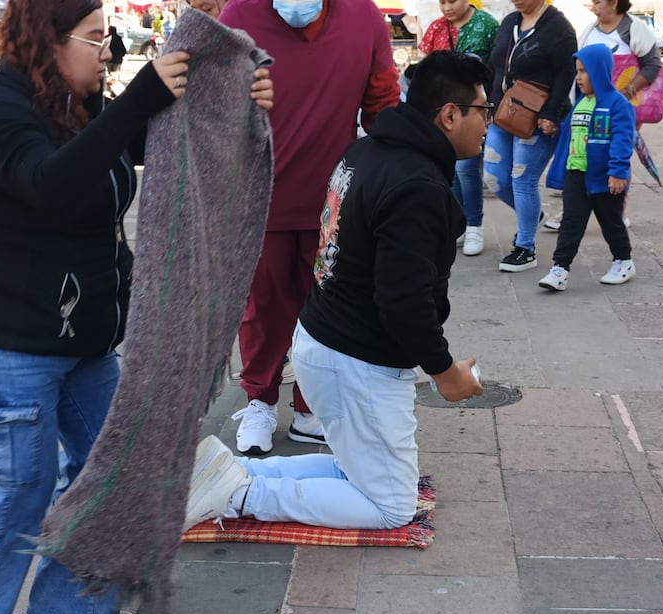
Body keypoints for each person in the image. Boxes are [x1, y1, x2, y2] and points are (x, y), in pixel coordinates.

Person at [0, 1, 273, 614]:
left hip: (86, 343)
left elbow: (158, 139)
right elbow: (49, 185)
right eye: (95, 38)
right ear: (48, 41)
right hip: (14, 351)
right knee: (14, 506)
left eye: (109, 35)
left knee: (122, 479)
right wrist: (137, 100)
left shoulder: (76, 106)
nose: (108, 49)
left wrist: (236, 97)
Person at [184, 51, 486, 533]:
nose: (489, 123)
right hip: (357, 360)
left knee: (357, 469)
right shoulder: (416, 184)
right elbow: (403, 302)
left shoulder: (366, 150)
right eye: (483, 111)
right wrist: (443, 370)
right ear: (450, 114)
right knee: (390, 506)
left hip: (327, 341)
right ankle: (241, 492)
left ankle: (234, 473)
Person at [219, 0, 401, 456]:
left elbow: (382, 106)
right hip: (257, 199)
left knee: (325, 312)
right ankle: (259, 400)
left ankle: (310, 407)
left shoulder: (364, 19)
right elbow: (211, 103)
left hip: (334, 201)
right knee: (261, 310)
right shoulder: (239, 16)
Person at [543, 0, 661, 231]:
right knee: (582, 151)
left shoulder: (634, 29)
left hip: (622, 105)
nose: (593, 7)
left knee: (618, 151)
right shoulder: (589, 31)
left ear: (614, 2)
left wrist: (627, 92)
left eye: (597, 2)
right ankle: (573, 207)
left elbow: (652, 64)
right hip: (589, 105)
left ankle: (617, 208)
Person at [484, 0, 577, 272]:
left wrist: (551, 114)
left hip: (539, 117)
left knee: (522, 178)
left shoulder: (559, 27)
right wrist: (489, 104)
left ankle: (525, 248)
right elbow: (496, 68)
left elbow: (566, 74)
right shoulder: (510, 21)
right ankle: (533, 214)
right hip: (503, 113)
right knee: (494, 176)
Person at [537, 44, 636, 292]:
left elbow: (623, 139)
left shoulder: (617, 104)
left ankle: (623, 261)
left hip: (604, 177)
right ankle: (560, 269)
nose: (578, 77)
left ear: (600, 71)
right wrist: (556, 130)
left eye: (584, 71)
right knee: (571, 222)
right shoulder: (579, 104)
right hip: (576, 174)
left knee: (611, 222)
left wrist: (617, 171)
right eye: (577, 71)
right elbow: (570, 136)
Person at [419, 0, 499, 256]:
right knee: (450, 169)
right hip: (441, 114)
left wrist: (488, 107)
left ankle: (474, 224)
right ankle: (459, 221)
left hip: (472, 109)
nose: (446, 7)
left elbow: (497, 67)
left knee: (466, 167)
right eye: (441, 2)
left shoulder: (486, 25)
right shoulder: (435, 28)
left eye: (452, 1)